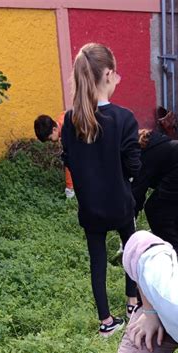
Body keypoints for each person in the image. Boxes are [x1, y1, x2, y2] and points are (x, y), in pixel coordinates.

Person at [61, 43, 141, 337]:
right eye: (116, 74)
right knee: (131, 251)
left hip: (90, 208)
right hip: (120, 205)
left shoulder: (70, 120)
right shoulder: (124, 118)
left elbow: (68, 159)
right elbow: (134, 167)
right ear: (108, 74)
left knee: (97, 260)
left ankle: (106, 322)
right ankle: (133, 304)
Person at [34, 113, 75, 199]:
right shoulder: (62, 117)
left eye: (49, 138)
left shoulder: (67, 133)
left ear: (54, 129)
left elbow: (70, 163)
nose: (50, 141)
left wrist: (69, 188)